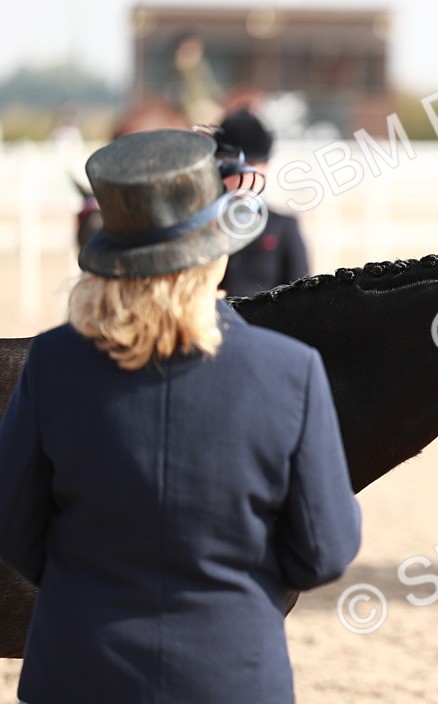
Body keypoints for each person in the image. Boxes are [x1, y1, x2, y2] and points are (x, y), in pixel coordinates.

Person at [0, 129, 361, 703]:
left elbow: (15, 529)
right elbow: (324, 551)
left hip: (79, 667)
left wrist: (92, 588)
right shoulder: (290, 371)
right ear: (217, 249)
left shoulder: (51, 364)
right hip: (230, 673)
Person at [213, 108, 311, 296]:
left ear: (265, 168)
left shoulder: (283, 228)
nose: (241, 178)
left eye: (250, 168)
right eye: (229, 168)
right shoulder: (204, 224)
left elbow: (303, 299)